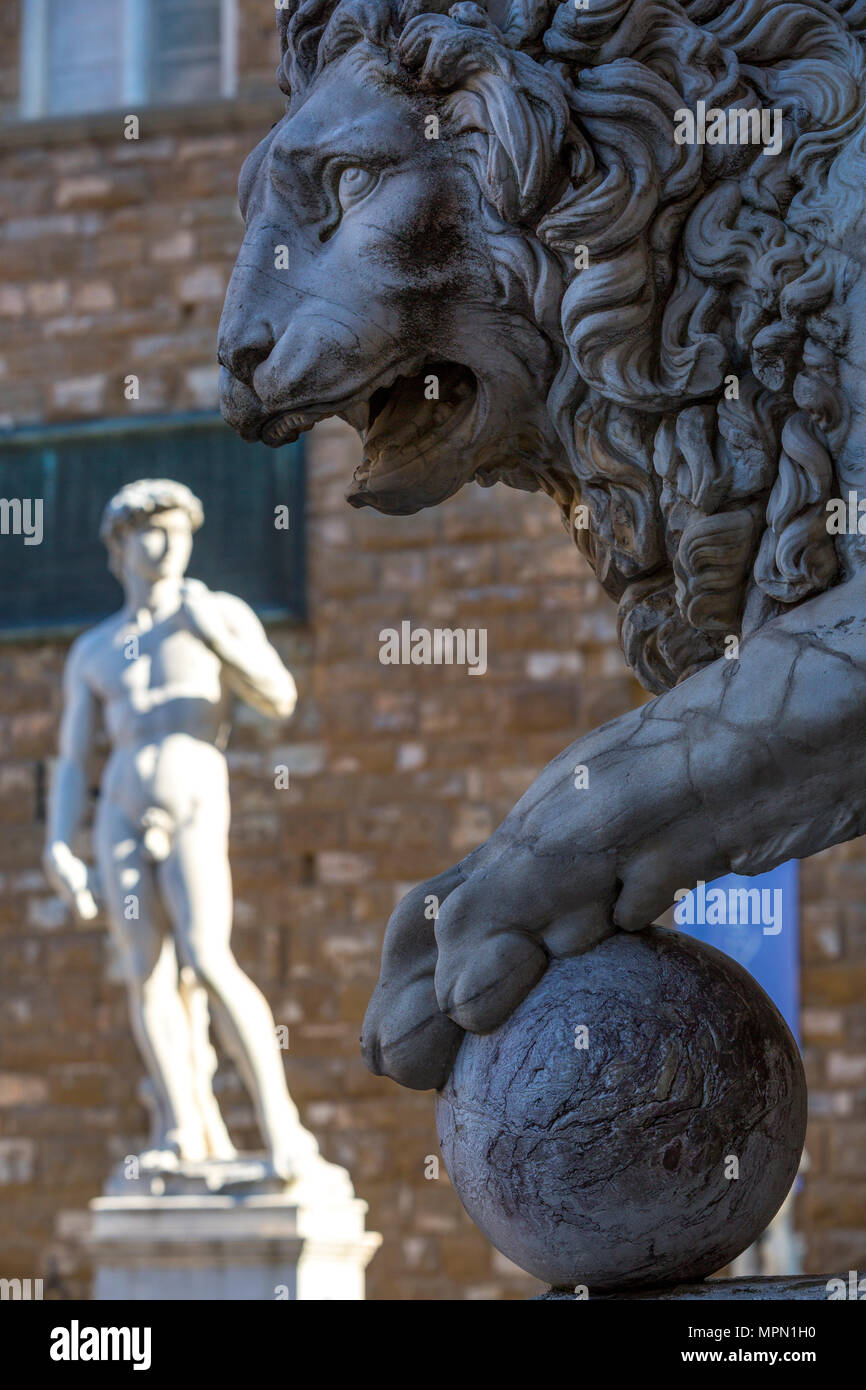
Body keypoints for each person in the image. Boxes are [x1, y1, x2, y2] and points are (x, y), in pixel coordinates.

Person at [44, 478, 317, 1180]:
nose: (165, 545)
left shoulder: (211, 611)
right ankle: (183, 1127)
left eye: (177, 531)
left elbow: (279, 695)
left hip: (194, 789)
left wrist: (220, 635)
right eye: (149, 532)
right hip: (120, 810)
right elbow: (73, 758)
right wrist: (58, 843)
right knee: (148, 973)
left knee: (206, 956)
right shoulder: (96, 649)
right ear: (120, 547)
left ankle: (281, 1124)